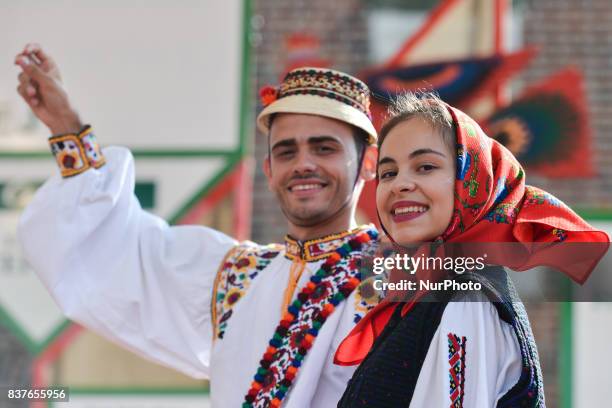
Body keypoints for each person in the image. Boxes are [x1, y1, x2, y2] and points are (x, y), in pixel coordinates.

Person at [14, 43, 383, 407]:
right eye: (287, 151)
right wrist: (68, 127)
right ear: (269, 170)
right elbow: (118, 255)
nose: (303, 164)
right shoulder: (239, 278)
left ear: (368, 162)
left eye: (324, 148)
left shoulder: (398, 274)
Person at [333, 92, 609, 407]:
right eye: (388, 173)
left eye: (425, 167)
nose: (400, 184)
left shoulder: (467, 297)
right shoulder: (431, 288)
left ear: (470, 179)